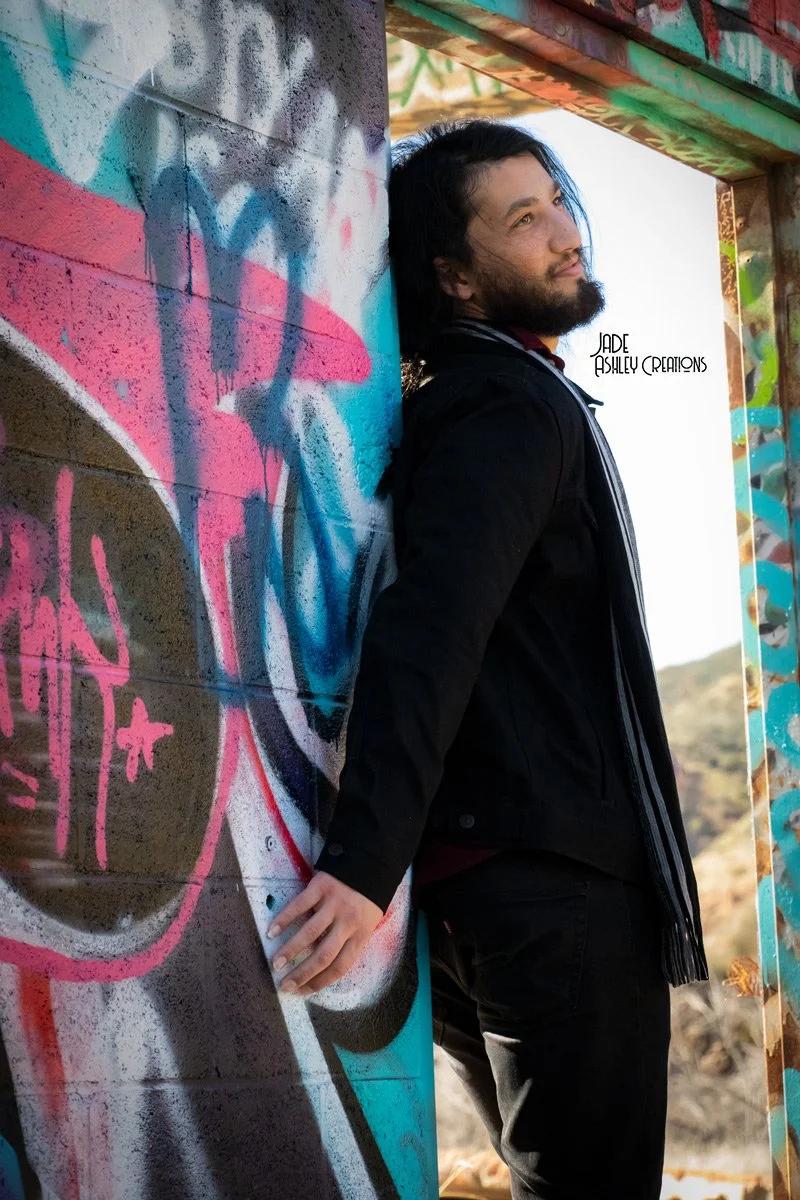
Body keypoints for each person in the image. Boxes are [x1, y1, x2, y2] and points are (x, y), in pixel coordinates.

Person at [267, 119, 707, 1199]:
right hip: (548, 894)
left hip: (506, 887)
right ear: (455, 279)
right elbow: (432, 624)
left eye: (556, 199)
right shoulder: (505, 401)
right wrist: (363, 860)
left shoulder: (497, 392)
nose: (565, 232)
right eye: (524, 219)